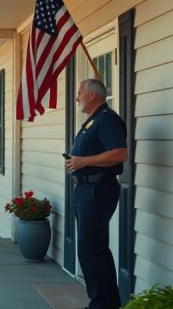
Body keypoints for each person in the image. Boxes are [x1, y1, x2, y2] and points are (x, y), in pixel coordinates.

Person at [64, 78, 127, 309]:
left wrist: (83, 161)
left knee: (91, 248)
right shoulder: (93, 121)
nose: (77, 97)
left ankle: (101, 304)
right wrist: (76, 163)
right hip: (86, 188)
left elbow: (120, 153)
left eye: (79, 93)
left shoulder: (107, 120)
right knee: (94, 248)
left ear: (92, 95)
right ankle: (108, 302)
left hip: (99, 189)